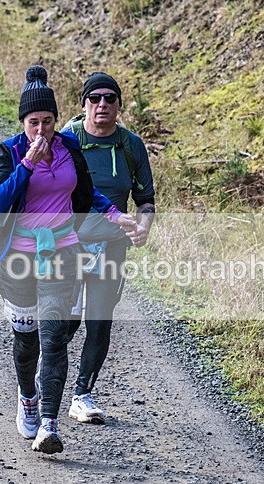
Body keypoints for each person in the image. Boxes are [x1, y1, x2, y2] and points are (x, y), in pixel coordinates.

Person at [0, 65, 134, 453]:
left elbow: (87, 194)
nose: (42, 130)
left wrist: (116, 215)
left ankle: (48, 425)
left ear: (56, 120)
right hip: (16, 258)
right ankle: (28, 397)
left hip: (61, 252)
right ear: (23, 123)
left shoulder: (69, 148)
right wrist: (28, 164)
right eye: (34, 122)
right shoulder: (10, 151)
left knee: (53, 337)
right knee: (27, 341)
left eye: (48, 121)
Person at [63, 72, 156, 424]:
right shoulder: (67, 140)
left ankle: (82, 396)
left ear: (119, 105)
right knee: (64, 323)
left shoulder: (131, 146)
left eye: (110, 98)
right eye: (95, 98)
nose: (102, 104)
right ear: (84, 103)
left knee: (100, 322)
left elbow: (145, 199)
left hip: (112, 246)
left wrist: (144, 225)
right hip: (69, 245)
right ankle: (42, 382)